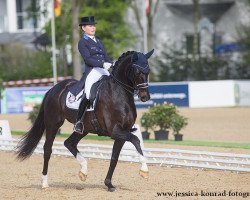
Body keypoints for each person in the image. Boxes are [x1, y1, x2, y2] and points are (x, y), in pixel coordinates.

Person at [74, 16, 113, 134]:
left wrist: (112, 63)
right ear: (83, 28)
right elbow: (88, 59)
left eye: (93, 25)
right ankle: (78, 122)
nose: (93, 27)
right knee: (88, 95)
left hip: (103, 70)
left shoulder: (99, 41)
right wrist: (102, 64)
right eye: (90, 26)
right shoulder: (83, 42)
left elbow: (106, 56)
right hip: (92, 71)